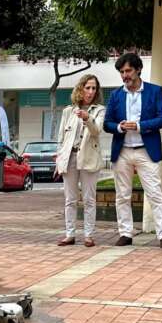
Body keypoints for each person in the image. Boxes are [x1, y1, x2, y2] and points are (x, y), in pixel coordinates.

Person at [103, 52, 162, 248]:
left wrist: (140, 125)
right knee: (122, 195)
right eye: (122, 72)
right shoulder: (116, 95)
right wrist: (119, 126)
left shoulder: (154, 91)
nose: (125, 75)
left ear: (138, 69)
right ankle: (125, 233)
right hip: (122, 151)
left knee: (155, 193)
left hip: (145, 150)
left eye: (128, 70)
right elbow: (107, 123)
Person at [54, 74, 105, 247]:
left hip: (89, 157)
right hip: (70, 157)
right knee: (70, 199)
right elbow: (61, 138)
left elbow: (97, 130)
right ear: (80, 88)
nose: (90, 91)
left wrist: (86, 117)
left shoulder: (99, 110)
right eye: (87, 87)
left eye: (93, 88)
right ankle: (70, 234)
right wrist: (59, 159)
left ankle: (89, 235)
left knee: (89, 199)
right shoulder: (68, 111)